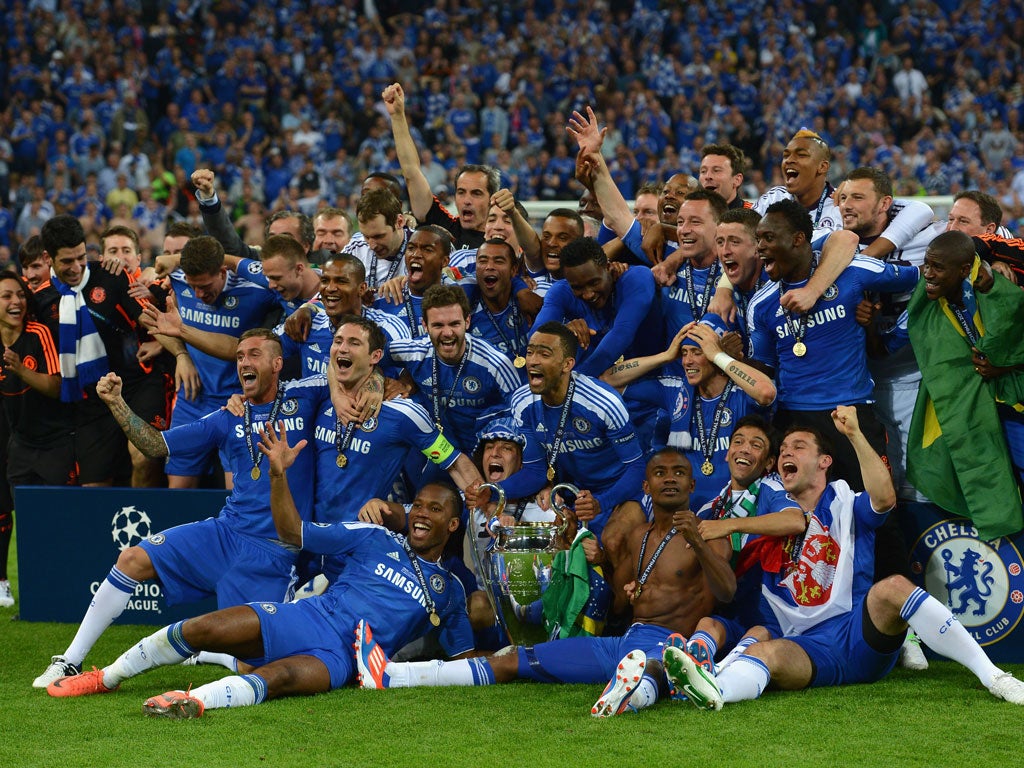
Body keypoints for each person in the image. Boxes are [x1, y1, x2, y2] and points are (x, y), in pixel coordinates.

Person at [46, 463, 473, 718]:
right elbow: (293, 532)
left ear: (452, 524)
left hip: (340, 659)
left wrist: (502, 654)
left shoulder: (451, 592)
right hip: (308, 617)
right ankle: (107, 677)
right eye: (417, 505)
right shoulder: (374, 537)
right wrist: (278, 475)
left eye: (434, 509)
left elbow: (462, 659)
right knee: (203, 628)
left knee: (280, 678)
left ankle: (193, 701)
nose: (420, 514)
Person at [666, 407, 1024, 708]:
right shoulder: (767, 515)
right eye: (784, 449)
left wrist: (854, 434)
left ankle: (994, 676)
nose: (787, 453)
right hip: (806, 646)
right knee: (767, 654)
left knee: (893, 587)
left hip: (857, 636)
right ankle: (716, 691)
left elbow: (884, 498)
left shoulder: (845, 503)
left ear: (824, 461)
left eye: (798, 447)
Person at [32, 329, 324, 689]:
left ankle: (211, 653)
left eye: (254, 355)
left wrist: (377, 390)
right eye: (239, 357)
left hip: (272, 550)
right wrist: (117, 403)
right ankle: (70, 661)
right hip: (225, 532)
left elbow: (353, 377)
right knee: (131, 559)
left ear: (278, 363)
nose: (244, 362)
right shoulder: (227, 416)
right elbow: (156, 445)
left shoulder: (307, 394)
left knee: (254, 666)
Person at [356, 447, 736, 720]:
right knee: (514, 659)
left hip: (669, 643)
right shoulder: (639, 536)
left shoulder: (711, 534)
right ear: (646, 486)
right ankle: (395, 675)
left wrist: (698, 542)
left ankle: (633, 696)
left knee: (655, 666)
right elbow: (619, 605)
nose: (669, 478)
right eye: (660, 473)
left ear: (692, 484)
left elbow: (726, 593)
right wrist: (603, 564)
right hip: (622, 644)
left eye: (678, 473)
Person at [746, 200, 918, 490]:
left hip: (852, 412)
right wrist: (729, 358)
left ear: (798, 239)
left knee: (877, 505)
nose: (759, 247)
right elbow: (763, 370)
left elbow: (920, 279)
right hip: (793, 418)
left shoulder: (854, 271)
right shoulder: (761, 304)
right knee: (798, 511)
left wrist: (891, 332)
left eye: (768, 238)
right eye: (758, 239)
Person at [896, 231, 1024, 541]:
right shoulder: (926, 305)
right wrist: (869, 328)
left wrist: (1005, 365)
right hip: (973, 406)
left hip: (1013, 405)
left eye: (937, 267)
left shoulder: (998, 292)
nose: (928, 274)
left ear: (965, 270)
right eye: (927, 264)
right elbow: (885, 347)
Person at [477, 322, 644, 538]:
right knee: (556, 543)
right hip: (576, 495)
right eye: (530, 352)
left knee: (613, 541)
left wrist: (601, 502)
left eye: (544, 354)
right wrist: (491, 492)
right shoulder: (522, 402)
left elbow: (637, 468)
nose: (533, 361)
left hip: (621, 492)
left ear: (567, 364)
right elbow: (536, 472)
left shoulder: (604, 403)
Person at [37, 215, 165, 487]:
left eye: (81, 257)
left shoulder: (110, 275)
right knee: (93, 487)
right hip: (90, 398)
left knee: (143, 458)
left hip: (135, 384)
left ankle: (143, 516)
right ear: (48, 258)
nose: (76, 267)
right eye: (67, 261)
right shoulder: (41, 299)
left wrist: (179, 353)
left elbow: (150, 319)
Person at [602, 323, 775, 508]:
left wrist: (719, 356)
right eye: (684, 353)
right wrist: (666, 356)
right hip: (686, 508)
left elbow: (766, 392)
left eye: (697, 352)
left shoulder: (741, 393)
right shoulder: (675, 391)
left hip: (734, 507)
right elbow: (609, 379)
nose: (687, 361)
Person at [160, 235, 280, 488]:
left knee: (236, 488)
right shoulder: (176, 278)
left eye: (205, 286)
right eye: (193, 286)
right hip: (192, 398)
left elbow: (291, 283)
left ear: (223, 271)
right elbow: (150, 319)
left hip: (237, 401)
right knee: (178, 488)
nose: (199, 294)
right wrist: (181, 355)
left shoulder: (256, 290)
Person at [0, 270, 74, 608]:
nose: (16, 301)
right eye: (6, 296)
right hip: (20, 444)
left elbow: (57, 386)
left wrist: (21, 370)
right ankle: (36, 596)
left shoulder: (38, 332)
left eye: (19, 295)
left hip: (55, 441)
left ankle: (67, 586)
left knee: (59, 518)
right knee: (27, 523)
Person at [382, 284, 520, 461]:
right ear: (425, 325)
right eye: (438, 325)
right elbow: (366, 358)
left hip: (485, 451)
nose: (447, 333)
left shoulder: (495, 363)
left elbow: (523, 414)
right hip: (440, 448)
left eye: (454, 324)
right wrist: (376, 384)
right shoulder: (413, 351)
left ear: (467, 322)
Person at [383, 82, 494, 250]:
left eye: (476, 193)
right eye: (461, 192)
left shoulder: (503, 245)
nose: (467, 201)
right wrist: (398, 116)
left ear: (491, 200)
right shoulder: (444, 228)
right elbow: (411, 172)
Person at [531, 237, 662, 377]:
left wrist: (573, 381)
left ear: (607, 267)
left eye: (594, 283)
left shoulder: (638, 278)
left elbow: (621, 334)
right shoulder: (560, 292)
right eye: (577, 287)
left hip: (653, 378)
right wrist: (563, 333)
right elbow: (536, 337)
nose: (588, 294)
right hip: (600, 379)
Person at [373, 225, 453, 338]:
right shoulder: (382, 301)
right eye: (411, 248)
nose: (416, 255)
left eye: (427, 250)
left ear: (444, 261)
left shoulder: (462, 293)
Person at [342, 187, 411, 298]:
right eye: (366, 236)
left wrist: (411, 282)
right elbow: (325, 293)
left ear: (399, 222)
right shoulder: (356, 248)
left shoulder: (424, 246)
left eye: (379, 236)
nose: (372, 245)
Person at [699, 144, 751, 210]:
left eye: (716, 170)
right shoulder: (689, 213)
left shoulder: (756, 214)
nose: (708, 176)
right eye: (703, 171)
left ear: (737, 180)